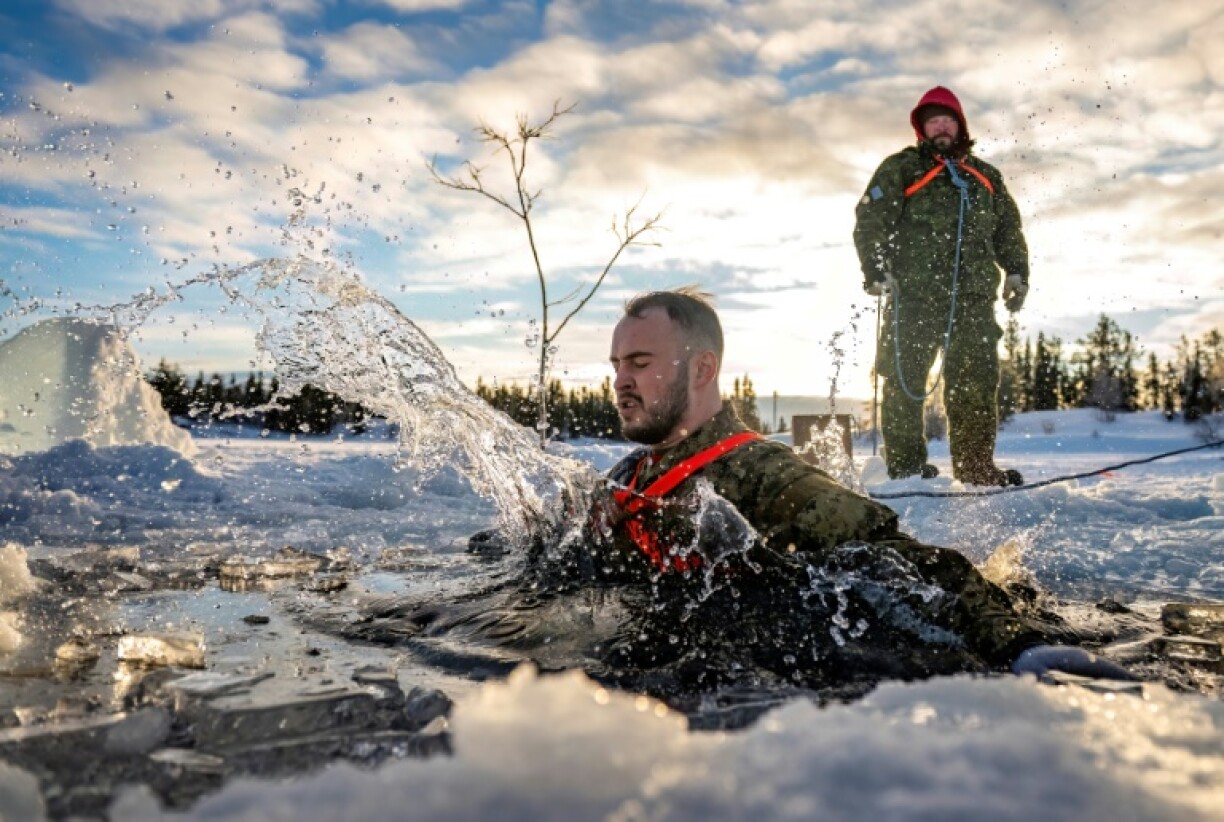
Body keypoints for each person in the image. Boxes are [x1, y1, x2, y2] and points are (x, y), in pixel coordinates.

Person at [590, 287, 1130, 682]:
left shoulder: (763, 476)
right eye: (617, 364)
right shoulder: (627, 478)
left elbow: (898, 559)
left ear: (702, 368)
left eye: (640, 362)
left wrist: (1019, 646)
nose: (621, 381)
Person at [853, 86, 1029, 486]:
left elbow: (1008, 230)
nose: (941, 127)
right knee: (904, 383)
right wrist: (876, 269)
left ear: (960, 125)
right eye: (932, 121)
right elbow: (870, 219)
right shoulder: (902, 168)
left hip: (973, 299)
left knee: (976, 382)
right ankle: (907, 470)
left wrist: (1018, 271)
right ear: (922, 128)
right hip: (914, 296)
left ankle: (976, 467)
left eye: (947, 119)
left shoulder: (986, 177)